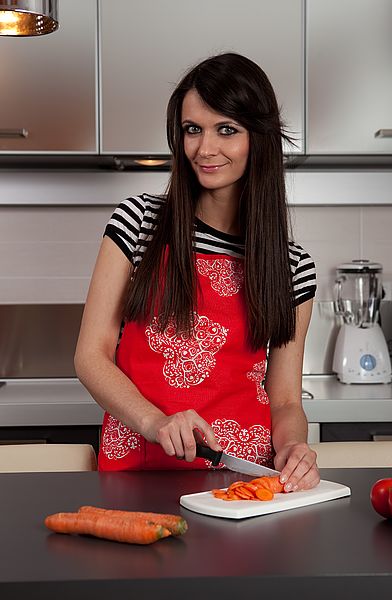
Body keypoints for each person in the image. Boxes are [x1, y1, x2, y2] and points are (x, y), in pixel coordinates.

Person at [75, 52, 320, 492]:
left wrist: (293, 448)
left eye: (227, 129)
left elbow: (283, 398)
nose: (205, 148)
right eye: (193, 130)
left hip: (241, 483)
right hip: (137, 473)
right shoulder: (138, 223)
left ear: (258, 139)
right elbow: (91, 356)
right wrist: (154, 421)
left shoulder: (292, 266)